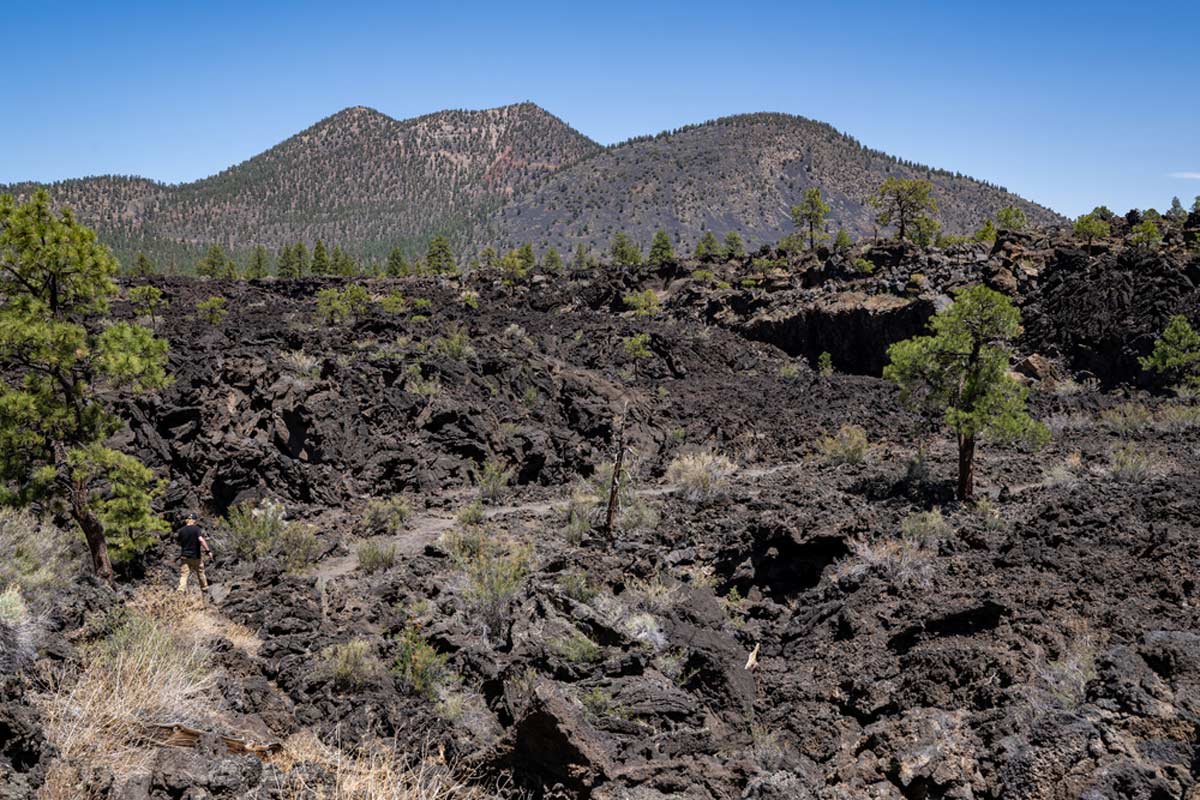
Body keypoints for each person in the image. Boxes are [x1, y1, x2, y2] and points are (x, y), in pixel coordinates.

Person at [176, 513, 212, 595]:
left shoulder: (181, 530)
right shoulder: (196, 529)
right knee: (200, 573)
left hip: (184, 556)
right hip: (196, 556)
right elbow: (201, 540)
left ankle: (180, 590)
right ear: (194, 521)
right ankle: (205, 589)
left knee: (184, 575)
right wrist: (208, 551)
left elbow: (178, 542)